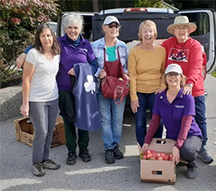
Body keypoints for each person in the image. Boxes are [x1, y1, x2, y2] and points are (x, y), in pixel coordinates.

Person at [17, 13, 100, 166]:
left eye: (76, 27)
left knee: (83, 118)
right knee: (68, 120)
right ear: (64, 29)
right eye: (69, 27)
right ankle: (71, 151)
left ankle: (84, 148)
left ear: (81, 28)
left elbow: (94, 65)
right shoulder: (59, 43)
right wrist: (25, 52)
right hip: (64, 89)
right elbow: (41, 43)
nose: (72, 31)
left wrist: (80, 68)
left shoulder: (86, 45)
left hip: (82, 90)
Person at [161, 16, 213, 164]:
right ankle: (174, 145)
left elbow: (196, 66)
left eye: (184, 28)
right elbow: (157, 56)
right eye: (178, 28)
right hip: (173, 90)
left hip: (194, 89)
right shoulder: (167, 44)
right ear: (174, 31)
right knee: (174, 119)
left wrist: (189, 84)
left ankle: (203, 148)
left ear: (189, 30)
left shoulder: (195, 45)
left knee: (200, 118)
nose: (181, 30)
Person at [142, 64, 203, 179]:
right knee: (165, 153)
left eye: (176, 74)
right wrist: (147, 141)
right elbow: (154, 121)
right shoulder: (160, 98)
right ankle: (179, 157)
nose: (173, 77)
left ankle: (191, 163)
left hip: (191, 135)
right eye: (170, 74)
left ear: (181, 78)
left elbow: (186, 125)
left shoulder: (187, 98)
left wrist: (177, 147)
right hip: (172, 137)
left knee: (187, 150)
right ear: (165, 78)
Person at [20, 23, 61, 177]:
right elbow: (26, 80)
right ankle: (36, 163)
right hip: (36, 99)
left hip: (53, 97)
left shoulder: (57, 52)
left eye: (49, 35)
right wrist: (25, 104)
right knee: (41, 131)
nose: (46, 38)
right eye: (42, 36)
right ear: (38, 38)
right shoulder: (33, 54)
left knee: (50, 130)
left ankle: (45, 159)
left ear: (53, 37)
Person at [91, 16, 130, 164]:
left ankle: (115, 146)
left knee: (118, 119)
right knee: (105, 119)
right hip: (103, 88)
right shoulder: (94, 46)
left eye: (116, 26)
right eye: (110, 25)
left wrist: (126, 76)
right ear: (104, 28)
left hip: (119, 89)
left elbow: (125, 68)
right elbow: (91, 65)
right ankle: (108, 147)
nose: (114, 28)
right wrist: (98, 73)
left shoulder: (123, 46)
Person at [128, 20, 166, 147]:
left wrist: (162, 86)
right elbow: (132, 75)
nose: (148, 34)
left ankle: (157, 148)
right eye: (145, 31)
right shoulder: (134, 52)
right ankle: (142, 150)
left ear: (155, 33)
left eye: (150, 31)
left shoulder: (162, 51)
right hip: (139, 91)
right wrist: (133, 97)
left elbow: (163, 72)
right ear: (140, 34)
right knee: (140, 122)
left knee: (158, 121)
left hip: (156, 91)